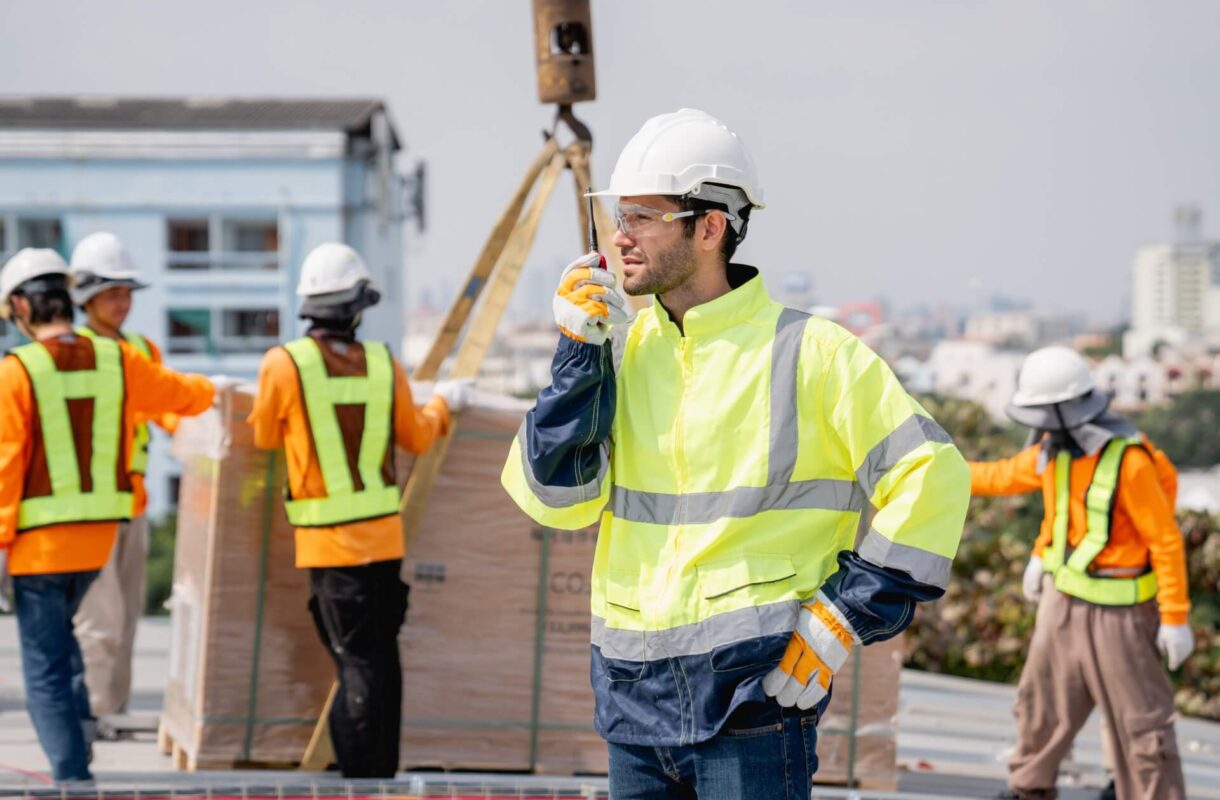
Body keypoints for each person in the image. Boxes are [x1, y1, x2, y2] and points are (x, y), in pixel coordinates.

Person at [501, 108, 971, 798]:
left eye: (642, 217)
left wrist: (845, 615)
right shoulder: (619, 351)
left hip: (753, 706)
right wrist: (577, 360)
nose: (618, 237)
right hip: (634, 712)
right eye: (617, 216)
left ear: (710, 225)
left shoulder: (810, 353)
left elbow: (934, 475)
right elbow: (557, 504)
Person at [247, 242, 471, 779]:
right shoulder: (381, 364)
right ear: (357, 308)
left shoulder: (283, 365)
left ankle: (364, 779)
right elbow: (417, 436)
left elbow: (261, 434)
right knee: (376, 657)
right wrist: (444, 403)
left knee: (356, 662)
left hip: (328, 542)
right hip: (382, 541)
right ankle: (375, 770)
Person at [0, 248, 215, 783]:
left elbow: (5, 468)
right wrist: (221, 390)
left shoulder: (16, 372)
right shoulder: (117, 359)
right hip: (98, 540)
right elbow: (182, 395)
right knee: (68, 641)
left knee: (45, 664)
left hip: (39, 549)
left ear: (24, 306)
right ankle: (82, 738)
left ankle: (73, 775)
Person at [969, 345, 1193, 800]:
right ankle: (1028, 787)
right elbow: (1005, 480)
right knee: (1041, 704)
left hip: (1121, 613)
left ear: (1063, 410)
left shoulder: (1130, 462)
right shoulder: (1055, 451)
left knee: (1140, 720)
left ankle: (1146, 793)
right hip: (1062, 602)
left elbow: (1164, 540)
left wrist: (1175, 617)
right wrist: (937, 470)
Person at [67, 232, 174, 734]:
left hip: (133, 502)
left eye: (128, 292)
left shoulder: (141, 349)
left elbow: (164, 406)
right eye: (112, 293)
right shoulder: (75, 352)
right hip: (89, 506)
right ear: (85, 297)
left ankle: (115, 708)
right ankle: (95, 711)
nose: (123, 302)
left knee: (128, 613)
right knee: (99, 617)